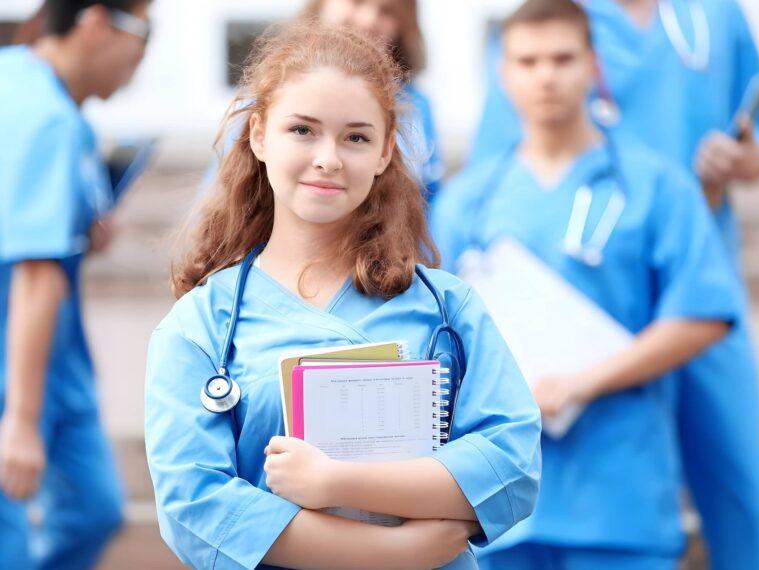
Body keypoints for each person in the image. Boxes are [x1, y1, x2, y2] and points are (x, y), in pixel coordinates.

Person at [145, 21, 541, 570]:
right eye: (302, 130)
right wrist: (394, 552)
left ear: (383, 153)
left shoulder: (448, 310)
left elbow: (512, 466)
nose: (328, 158)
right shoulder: (200, 326)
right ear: (259, 134)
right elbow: (195, 508)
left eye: (356, 137)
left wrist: (336, 481)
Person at [466, 2, 759, 567]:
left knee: (741, 489)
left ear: (590, 64)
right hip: (580, 281)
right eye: (532, 62)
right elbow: (495, 195)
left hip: (681, 267)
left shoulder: (713, 15)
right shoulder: (551, 21)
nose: (547, 73)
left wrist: (741, 159)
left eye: (563, 60)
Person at [0, 1, 151, 568]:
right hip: (17, 362)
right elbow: (36, 272)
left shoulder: (59, 109)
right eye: (143, 32)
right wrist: (19, 421)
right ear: (93, 23)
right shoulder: (43, 116)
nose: (141, 56)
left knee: (96, 509)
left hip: (56, 359)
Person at [204, 0, 442, 201]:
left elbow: (430, 202)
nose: (369, 19)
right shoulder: (266, 96)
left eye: (387, 11)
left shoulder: (416, 109)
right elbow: (220, 202)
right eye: (302, 130)